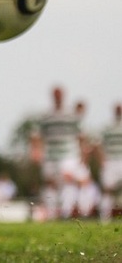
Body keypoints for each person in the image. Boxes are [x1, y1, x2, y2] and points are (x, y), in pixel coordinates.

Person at [31, 86, 82, 220]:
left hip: (68, 153)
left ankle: (66, 212)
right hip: (50, 154)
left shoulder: (71, 115)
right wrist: (36, 150)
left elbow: (80, 134)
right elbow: (37, 135)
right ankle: (52, 214)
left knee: (68, 179)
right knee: (50, 183)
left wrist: (82, 153)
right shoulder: (46, 115)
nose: (57, 97)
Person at [99, 104, 122, 222]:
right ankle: (105, 218)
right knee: (107, 189)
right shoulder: (108, 127)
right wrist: (103, 160)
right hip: (110, 160)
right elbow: (102, 145)